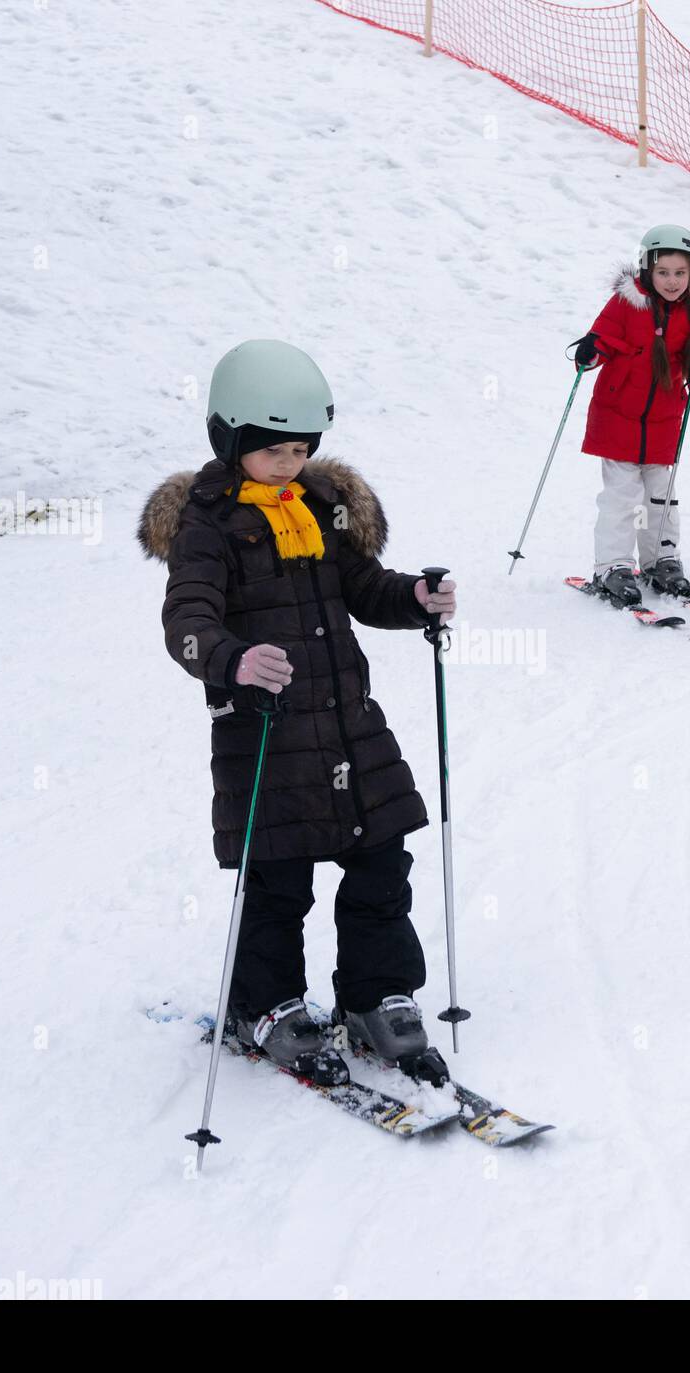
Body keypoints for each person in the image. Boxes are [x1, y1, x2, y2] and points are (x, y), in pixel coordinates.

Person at [138, 339, 456, 1082]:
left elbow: (362, 586)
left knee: (382, 859)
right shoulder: (207, 527)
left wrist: (412, 598)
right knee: (279, 882)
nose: (289, 462)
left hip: (350, 723)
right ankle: (267, 1002)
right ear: (231, 440)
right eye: (273, 449)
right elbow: (185, 621)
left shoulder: (321, 507)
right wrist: (232, 661)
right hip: (267, 735)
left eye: (301, 448)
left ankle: (375, 997)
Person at [574, 224, 690, 604]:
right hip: (617, 415)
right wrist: (590, 351)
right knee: (622, 497)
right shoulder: (627, 302)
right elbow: (604, 336)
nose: (672, 281)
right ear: (647, 270)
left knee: (660, 496)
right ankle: (613, 565)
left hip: (663, 420)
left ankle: (661, 560)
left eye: (680, 273)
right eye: (664, 272)